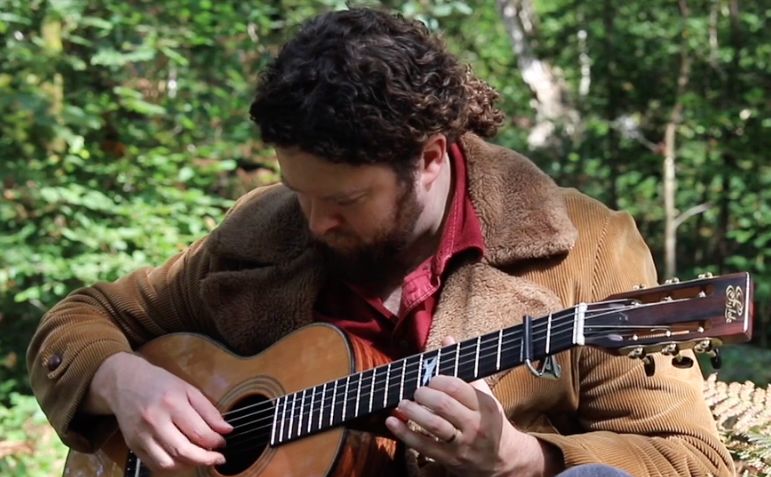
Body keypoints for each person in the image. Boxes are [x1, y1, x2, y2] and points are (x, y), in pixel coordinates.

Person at [27, 7, 733, 477]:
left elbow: (689, 456)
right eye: (297, 191)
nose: (311, 222)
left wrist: (524, 456)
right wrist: (120, 378)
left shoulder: (585, 245)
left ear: (429, 156)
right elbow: (83, 317)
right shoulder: (261, 230)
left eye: (341, 200)